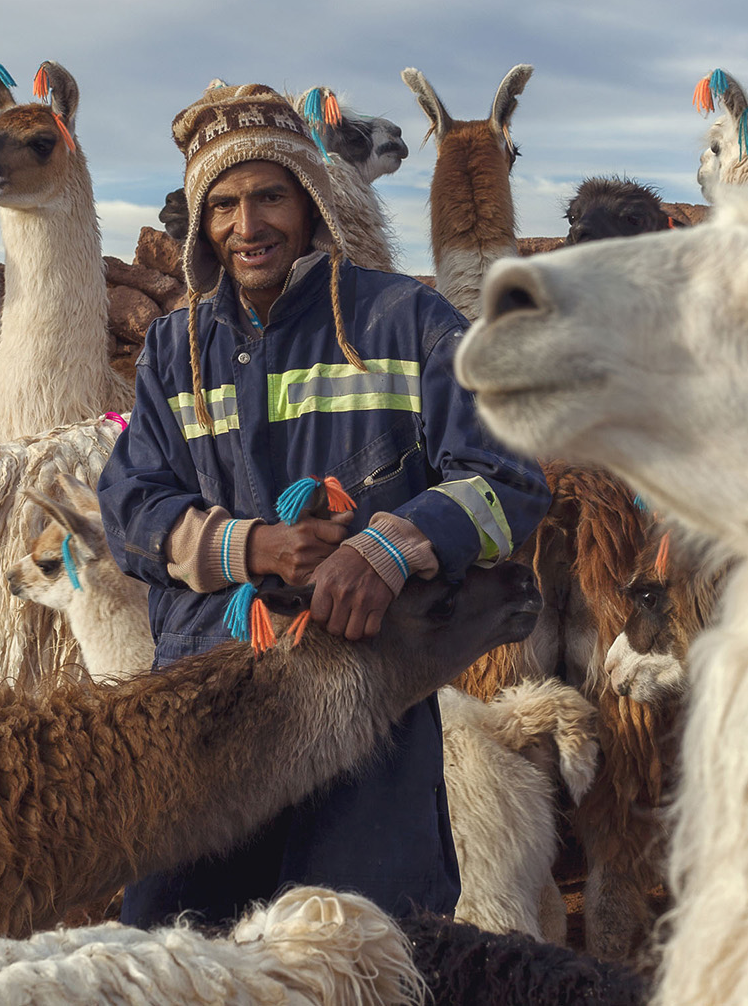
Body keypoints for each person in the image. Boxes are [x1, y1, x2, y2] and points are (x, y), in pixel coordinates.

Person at [99, 81, 552, 927]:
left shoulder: (400, 323)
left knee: (351, 953)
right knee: (176, 955)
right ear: (202, 225)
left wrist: (391, 547)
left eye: (270, 195)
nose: (249, 224)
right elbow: (129, 508)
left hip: (364, 723)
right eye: (225, 204)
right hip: (210, 717)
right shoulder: (174, 350)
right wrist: (250, 547)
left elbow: (511, 476)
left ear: (310, 202)